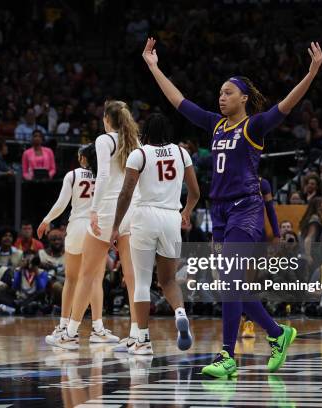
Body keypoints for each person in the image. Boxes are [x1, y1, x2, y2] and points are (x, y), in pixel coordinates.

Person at [143, 37, 322, 377]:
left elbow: (286, 105)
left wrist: (312, 72)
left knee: (229, 281)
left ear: (243, 98)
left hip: (247, 208)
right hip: (220, 212)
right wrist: (154, 67)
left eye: (228, 92)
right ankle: (277, 332)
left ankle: (228, 356)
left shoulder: (254, 125)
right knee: (229, 285)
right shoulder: (214, 124)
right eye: (220, 93)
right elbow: (178, 101)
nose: (221, 96)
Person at [51, 100, 140, 351]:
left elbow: (101, 176)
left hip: (108, 209)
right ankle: (137, 335)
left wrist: (93, 210)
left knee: (86, 275)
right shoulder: (136, 143)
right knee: (133, 277)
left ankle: (69, 333)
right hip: (130, 211)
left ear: (107, 119)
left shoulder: (104, 140)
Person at [110, 113, 200, 355]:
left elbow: (126, 194)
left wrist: (115, 226)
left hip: (145, 216)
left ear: (145, 132)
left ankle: (143, 340)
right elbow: (195, 192)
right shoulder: (182, 153)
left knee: (141, 281)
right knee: (168, 280)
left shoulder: (139, 154)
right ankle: (180, 314)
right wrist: (187, 212)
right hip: (171, 217)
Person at [38, 144, 119, 346]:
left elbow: (61, 203)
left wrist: (46, 220)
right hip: (97, 227)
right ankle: (98, 328)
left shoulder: (73, 175)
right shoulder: (105, 176)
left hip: (76, 227)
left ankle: (64, 327)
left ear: (82, 158)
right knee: (95, 280)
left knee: (72, 280)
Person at [241, 177, 281, 339]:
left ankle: (248, 322)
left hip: (255, 235)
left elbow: (270, 209)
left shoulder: (262, 183)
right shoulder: (232, 179)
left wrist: (277, 234)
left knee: (248, 283)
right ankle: (241, 318)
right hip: (234, 232)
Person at [299, 196, 322, 271]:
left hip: (317, 252)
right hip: (314, 254)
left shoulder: (316, 218)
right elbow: (308, 238)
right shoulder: (315, 219)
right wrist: (308, 256)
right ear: (318, 206)